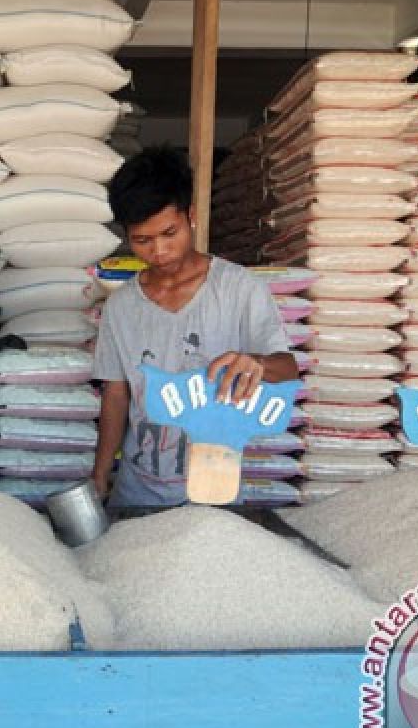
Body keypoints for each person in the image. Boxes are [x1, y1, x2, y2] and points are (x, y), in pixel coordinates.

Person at [92, 147, 298, 508]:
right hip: (138, 494)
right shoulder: (120, 307)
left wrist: (258, 364)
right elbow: (116, 394)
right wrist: (99, 481)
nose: (160, 251)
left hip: (217, 495)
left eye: (169, 233)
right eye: (143, 240)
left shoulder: (239, 288)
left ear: (191, 216)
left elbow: (288, 368)